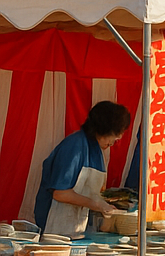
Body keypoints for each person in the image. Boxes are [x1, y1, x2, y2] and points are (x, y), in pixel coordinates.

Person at [35, 101, 132, 236]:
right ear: (104, 128)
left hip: (76, 227)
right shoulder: (74, 146)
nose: (118, 139)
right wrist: (96, 204)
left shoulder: (96, 150)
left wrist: (103, 205)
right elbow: (60, 193)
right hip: (55, 224)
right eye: (116, 134)